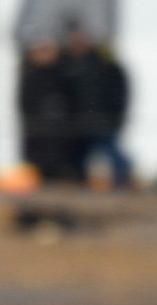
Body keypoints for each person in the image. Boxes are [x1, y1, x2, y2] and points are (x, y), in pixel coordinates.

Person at [61, 24, 130, 188]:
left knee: (112, 154)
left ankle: (122, 185)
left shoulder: (104, 64)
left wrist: (115, 115)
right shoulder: (67, 64)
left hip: (103, 121)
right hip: (79, 124)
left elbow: (118, 91)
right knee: (78, 158)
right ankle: (82, 188)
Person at [18, 37, 80, 184]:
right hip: (38, 137)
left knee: (60, 176)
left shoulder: (63, 74)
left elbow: (72, 102)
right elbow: (25, 104)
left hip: (60, 138)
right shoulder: (30, 75)